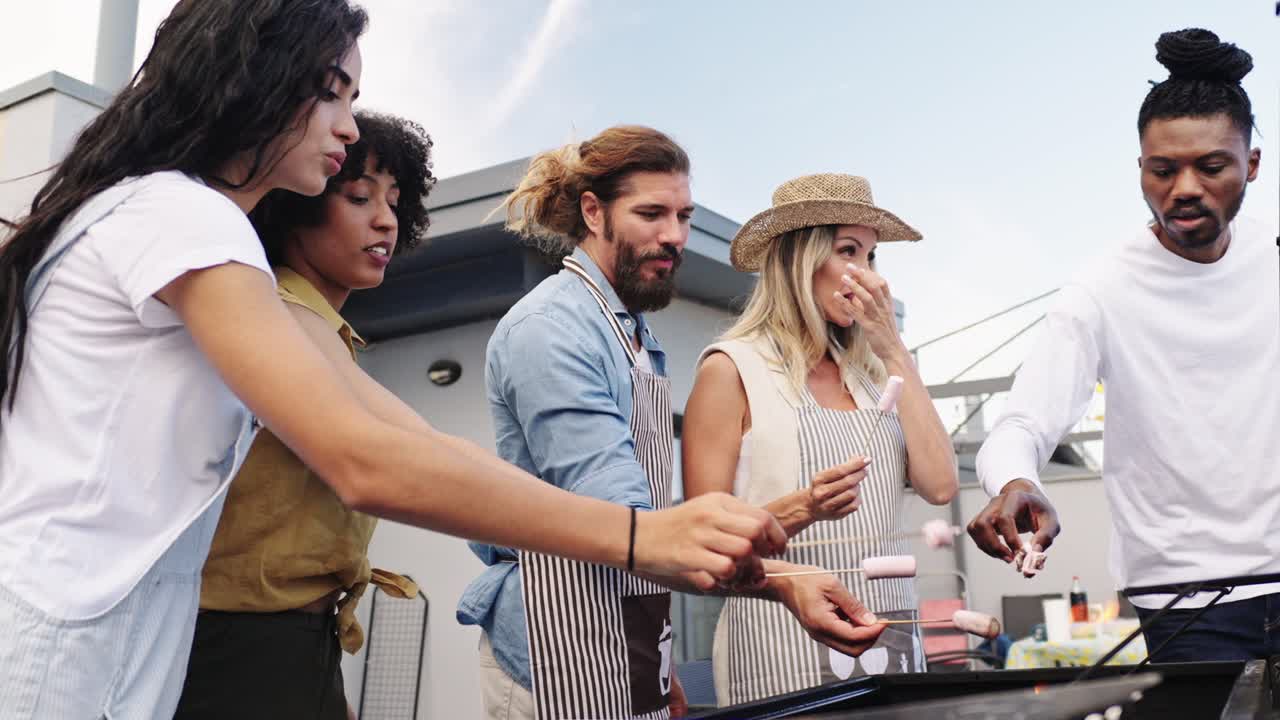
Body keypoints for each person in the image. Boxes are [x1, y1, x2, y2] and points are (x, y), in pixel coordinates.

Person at [0, 3, 781, 716]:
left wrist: (662, 533)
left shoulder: (176, 222)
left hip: (117, 650)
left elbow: (418, 441)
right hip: (61, 653)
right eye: (333, 92)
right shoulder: (181, 215)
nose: (347, 128)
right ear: (251, 78)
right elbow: (362, 461)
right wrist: (643, 538)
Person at [459, 129, 886, 720]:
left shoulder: (633, 334)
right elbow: (627, 522)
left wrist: (653, 664)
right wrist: (785, 583)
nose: (674, 236)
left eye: (682, 215)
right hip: (552, 649)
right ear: (593, 211)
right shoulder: (552, 328)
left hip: (627, 642)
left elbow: (654, 527)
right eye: (651, 214)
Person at [967, 28, 1277, 662]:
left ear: (1251, 164)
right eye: (1163, 170)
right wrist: (1016, 480)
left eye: (1211, 166)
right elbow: (1022, 421)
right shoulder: (1101, 290)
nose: (1184, 187)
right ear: (1140, 169)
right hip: (1187, 599)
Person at [174, 110, 432, 719]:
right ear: (298, 203)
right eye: (360, 196)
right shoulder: (280, 309)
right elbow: (403, 453)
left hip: (300, 647)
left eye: (396, 201)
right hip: (236, 653)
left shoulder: (320, 326)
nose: (385, 219)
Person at [682, 173, 958, 704]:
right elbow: (705, 544)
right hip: (780, 643)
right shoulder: (732, 369)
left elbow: (941, 485)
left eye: (873, 257)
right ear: (800, 261)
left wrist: (895, 350)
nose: (868, 276)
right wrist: (804, 506)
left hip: (889, 634)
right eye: (848, 250)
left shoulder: (877, 372)